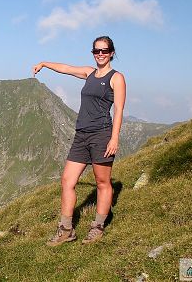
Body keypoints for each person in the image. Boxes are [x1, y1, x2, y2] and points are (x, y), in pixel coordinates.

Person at [32, 36, 126, 245]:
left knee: (102, 182)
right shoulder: (89, 73)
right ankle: (66, 230)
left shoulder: (116, 77)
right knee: (67, 181)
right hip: (81, 135)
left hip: (101, 134)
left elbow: (119, 108)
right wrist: (45, 64)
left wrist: (114, 138)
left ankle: (98, 227)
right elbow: (66, 68)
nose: (100, 54)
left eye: (104, 50)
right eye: (96, 51)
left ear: (111, 52)